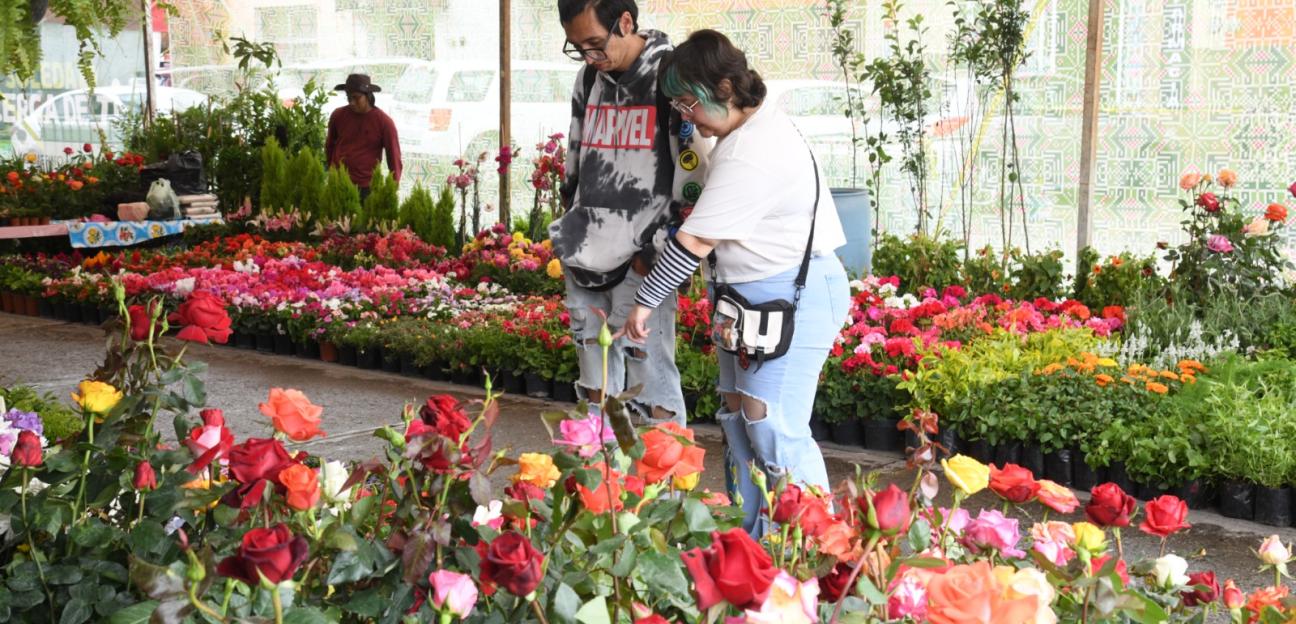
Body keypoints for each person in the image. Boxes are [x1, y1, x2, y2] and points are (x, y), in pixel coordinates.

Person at [622, 29, 850, 535]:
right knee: (738, 419)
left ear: (724, 89)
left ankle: (818, 548)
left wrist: (644, 303)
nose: (685, 115)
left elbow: (693, 243)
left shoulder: (754, 151)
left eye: (688, 103)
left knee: (773, 427)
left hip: (793, 296)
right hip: (746, 302)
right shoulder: (741, 130)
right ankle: (751, 541)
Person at [550, 0, 709, 425]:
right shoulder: (588, 78)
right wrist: (569, 231)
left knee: (651, 376)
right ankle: (602, 482)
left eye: (596, 44)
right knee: (594, 384)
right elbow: (574, 158)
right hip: (584, 252)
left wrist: (656, 255)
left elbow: (692, 178)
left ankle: (666, 484)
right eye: (578, 47)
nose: (589, 57)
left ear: (625, 22)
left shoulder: (670, 77)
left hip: (645, 258)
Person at [325, 73, 402, 202]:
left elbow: (394, 157)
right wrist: (332, 170)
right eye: (349, 98)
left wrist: (392, 188)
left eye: (356, 97)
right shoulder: (338, 115)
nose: (352, 102)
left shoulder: (384, 122)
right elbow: (329, 146)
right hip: (338, 181)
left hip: (366, 187)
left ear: (368, 96)